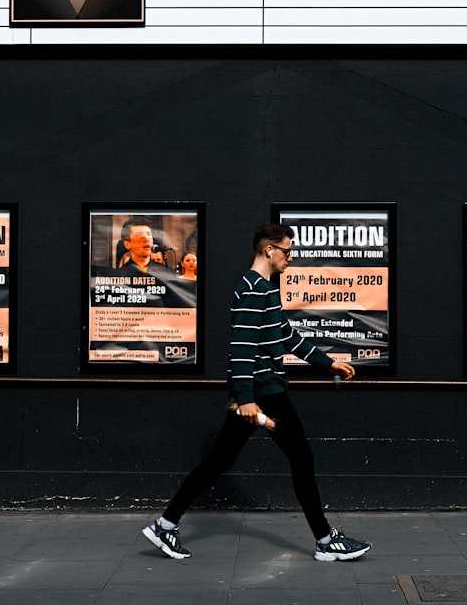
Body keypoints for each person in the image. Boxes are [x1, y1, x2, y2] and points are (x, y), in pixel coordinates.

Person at [142, 223, 372, 562]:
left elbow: (288, 337)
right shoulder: (254, 290)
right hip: (265, 393)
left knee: (219, 461)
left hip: (260, 391)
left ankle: (165, 524)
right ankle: (325, 540)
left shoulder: (263, 289)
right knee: (301, 458)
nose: (290, 258)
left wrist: (328, 364)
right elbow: (241, 348)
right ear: (269, 250)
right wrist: (246, 398)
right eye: (287, 251)